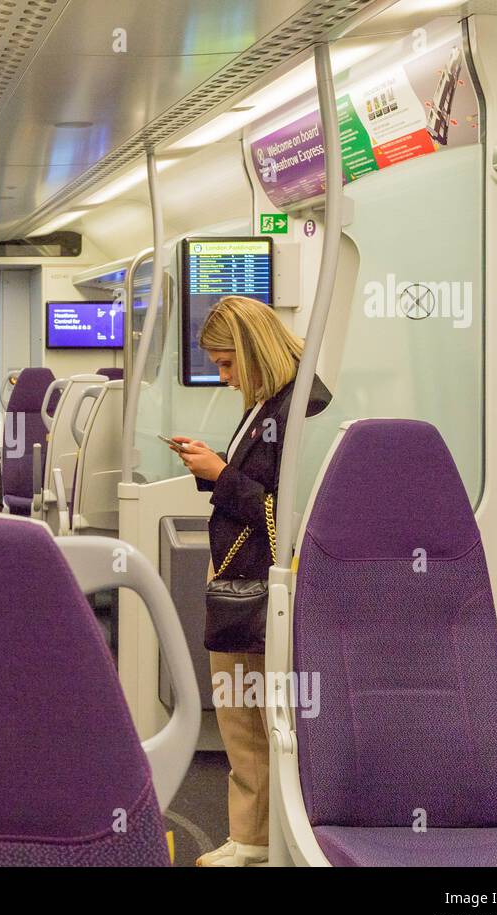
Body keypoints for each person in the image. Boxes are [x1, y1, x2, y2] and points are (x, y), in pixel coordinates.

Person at [171, 295, 330, 867]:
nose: (224, 375)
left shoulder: (290, 412)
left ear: (251, 350)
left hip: (260, 577)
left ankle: (257, 839)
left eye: (226, 362)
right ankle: (256, 835)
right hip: (245, 570)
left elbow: (276, 508)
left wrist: (219, 473)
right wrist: (214, 468)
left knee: (249, 714)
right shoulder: (272, 405)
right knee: (247, 711)